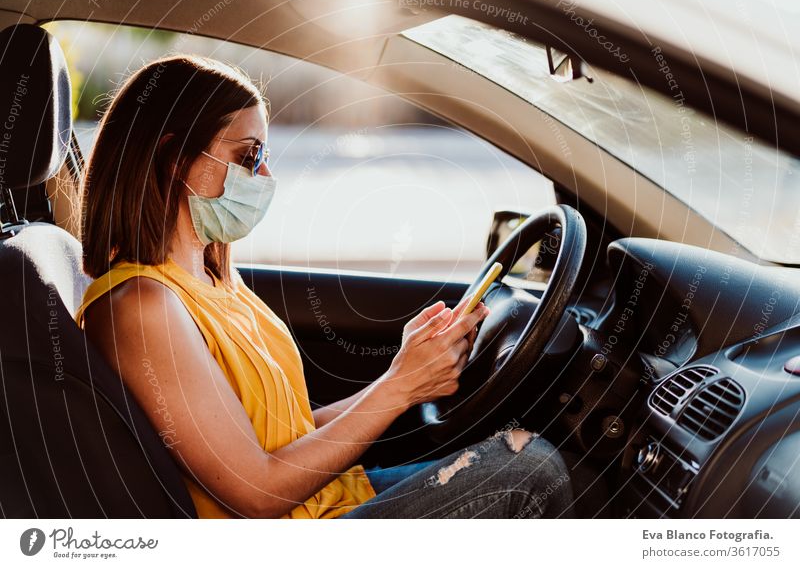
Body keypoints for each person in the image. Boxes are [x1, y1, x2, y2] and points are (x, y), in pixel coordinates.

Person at [76, 54, 574, 519]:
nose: (266, 174)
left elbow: (284, 432)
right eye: (249, 156)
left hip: (330, 501)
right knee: (529, 469)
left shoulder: (212, 279)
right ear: (172, 158)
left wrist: (403, 375)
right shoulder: (141, 307)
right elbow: (256, 489)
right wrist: (400, 389)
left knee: (519, 455)